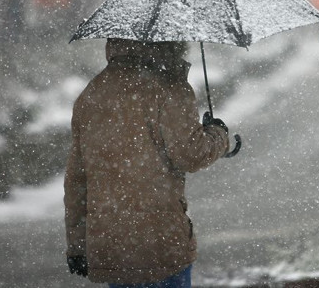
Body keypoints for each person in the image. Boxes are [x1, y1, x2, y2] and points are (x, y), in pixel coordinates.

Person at [64, 38, 230, 287]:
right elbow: (191, 154)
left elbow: (77, 179)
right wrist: (219, 135)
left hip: (112, 243)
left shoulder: (92, 93)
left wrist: (77, 245)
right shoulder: (170, 87)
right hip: (160, 242)